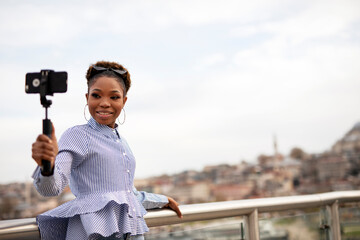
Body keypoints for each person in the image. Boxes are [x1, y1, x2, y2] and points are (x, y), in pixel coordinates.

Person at [31, 61, 182, 240]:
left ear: (124, 101)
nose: (104, 103)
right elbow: (52, 188)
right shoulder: (77, 135)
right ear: (87, 98)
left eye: (114, 97)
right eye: (96, 95)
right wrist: (47, 165)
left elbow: (126, 196)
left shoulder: (122, 142)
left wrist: (161, 200)